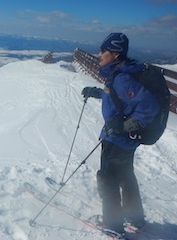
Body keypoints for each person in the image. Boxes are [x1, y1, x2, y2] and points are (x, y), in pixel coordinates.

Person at [81, 33, 160, 234]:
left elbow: (149, 107)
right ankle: (135, 218)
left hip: (117, 140)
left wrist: (124, 127)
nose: (99, 54)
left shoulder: (122, 78)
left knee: (108, 180)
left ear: (115, 54)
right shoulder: (119, 73)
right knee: (125, 177)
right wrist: (97, 92)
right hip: (124, 141)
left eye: (103, 51)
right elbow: (119, 97)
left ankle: (113, 225)